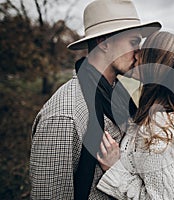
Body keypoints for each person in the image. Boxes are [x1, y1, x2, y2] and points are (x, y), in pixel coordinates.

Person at [29, 0, 161, 199]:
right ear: (105, 42)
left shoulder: (117, 95)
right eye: (134, 42)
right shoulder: (64, 117)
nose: (139, 52)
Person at [96, 31, 174, 199]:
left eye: (144, 52)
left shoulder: (157, 133)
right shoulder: (156, 116)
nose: (136, 55)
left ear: (156, 67)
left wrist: (114, 170)